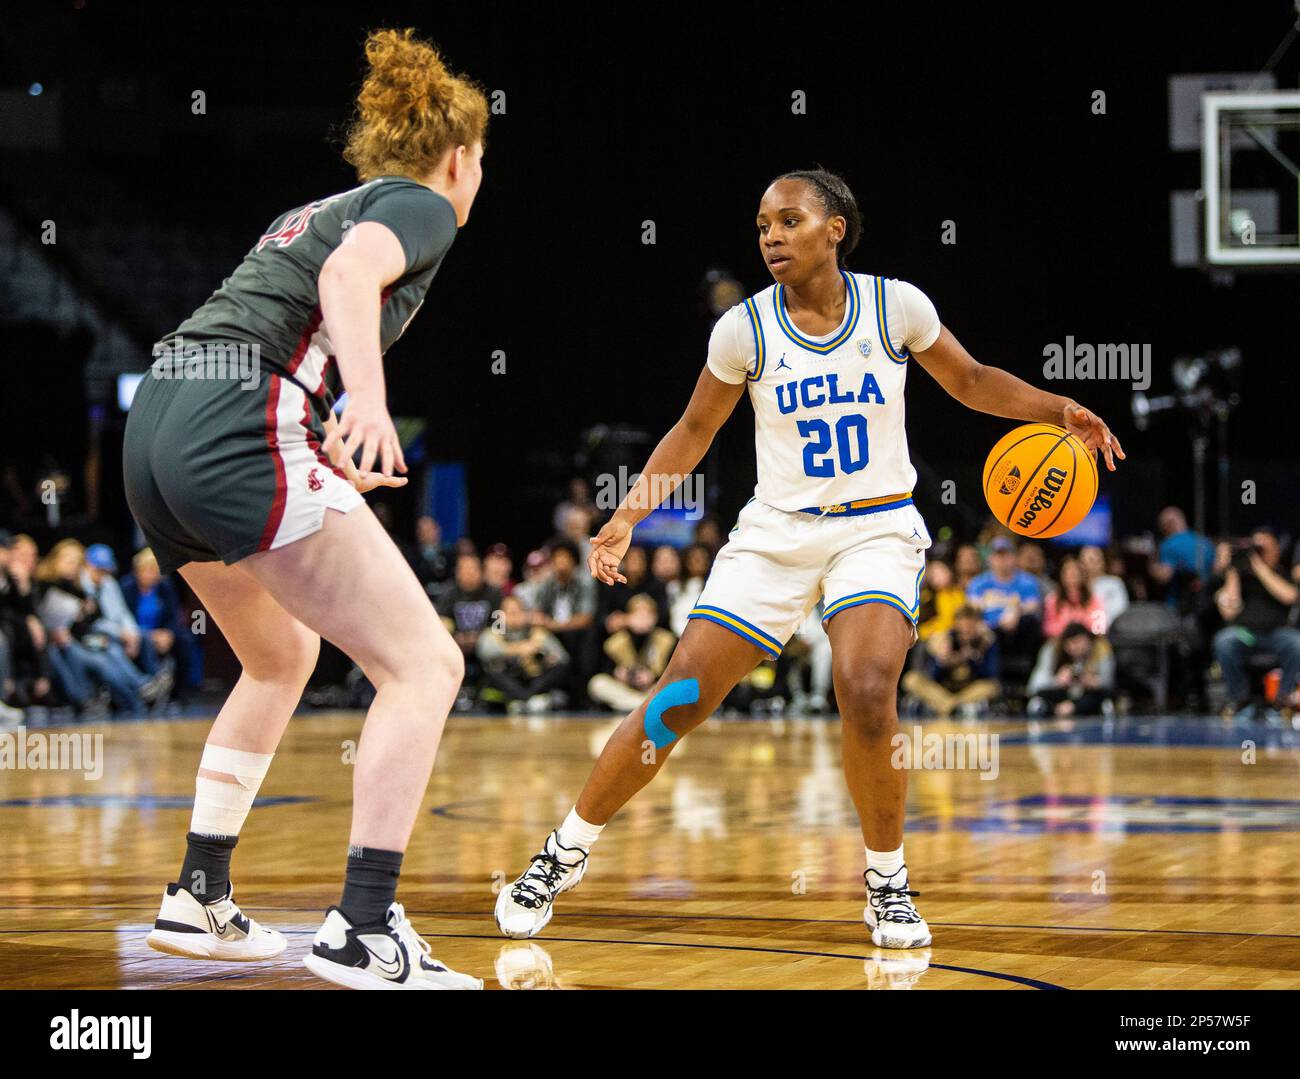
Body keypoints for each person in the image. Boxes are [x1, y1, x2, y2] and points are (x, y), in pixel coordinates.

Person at [494, 167, 1123, 950]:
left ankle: (887, 881)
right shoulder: (744, 330)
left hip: (878, 528)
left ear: (835, 229)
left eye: (788, 220)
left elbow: (970, 380)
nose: (770, 237)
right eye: (761, 225)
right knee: (676, 699)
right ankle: (564, 851)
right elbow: (692, 432)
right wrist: (625, 517)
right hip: (775, 534)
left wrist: (1059, 407)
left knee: (864, 687)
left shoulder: (897, 306)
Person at [121, 29, 487, 989]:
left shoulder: (314, 208)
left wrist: (325, 430)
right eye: (481, 160)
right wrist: (366, 403)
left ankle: (199, 893)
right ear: (459, 157)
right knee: (426, 662)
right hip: (233, 423)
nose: (478, 176)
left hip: (158, 420)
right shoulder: (421, 206)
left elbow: (281, 326)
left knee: (280, 654)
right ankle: (363, 926)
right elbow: (342, 284)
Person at [1212, 528, 1300, 718]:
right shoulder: (1241, 576)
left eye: (1263, 548)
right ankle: (1240, 698)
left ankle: (1283, 698)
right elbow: (1228, 612)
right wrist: (1232, 571)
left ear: (1276, 549)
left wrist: (1260, 567)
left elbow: (1290, 597)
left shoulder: (1282, 573)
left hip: (1277, 633)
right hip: (1247, 635)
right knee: (1225, 640)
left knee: (1297, 643)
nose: (1257, 553)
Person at [901, 605, 1000, 718]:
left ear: (977, 625)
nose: (964, 633)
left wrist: (973, 659)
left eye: (969, 629)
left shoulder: (987, 641)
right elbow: (932, 676)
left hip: (969, 688)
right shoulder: (946, 639)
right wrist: (942, 661)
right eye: (961, 629)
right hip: (943, 688)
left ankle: (944, 706)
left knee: (993, 687)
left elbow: (991, 675)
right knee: (910, 679)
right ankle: (956, 707)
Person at [476, 594, 569, 713]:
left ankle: (524, 699)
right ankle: (526, 698)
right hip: (511, 679)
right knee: (492, 668)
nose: (514, 616)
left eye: (517, 612)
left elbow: (562, 657)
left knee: (560, 667)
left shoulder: (537, 632)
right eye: (509, 612)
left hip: (534, 678)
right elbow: (484, 651)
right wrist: (518, 648)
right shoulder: (495, 632)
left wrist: (544, 652)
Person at [531, 538, 597, 704]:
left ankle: (581, 697)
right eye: (557, 558)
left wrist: (556, 625)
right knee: (538, 636)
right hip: (553, 633)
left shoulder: (585, 583)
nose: (561, 562)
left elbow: (586, 618)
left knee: (584, 639)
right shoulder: (547, 585)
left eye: (565, 557)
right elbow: (538, 613)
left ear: (574, 560)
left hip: (577, 633)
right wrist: (544, 622)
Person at [967, 536, 1044, 674]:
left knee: (1031, 622)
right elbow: (972, 607)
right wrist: (985, 623)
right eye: (998, 556)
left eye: (1006, 556)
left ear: (1014, 558)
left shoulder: (1027, 581)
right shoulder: (978, 583)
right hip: (987, 630)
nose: (1002, 561)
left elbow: (1033, 605)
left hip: (1017, 632)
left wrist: (1016, 610)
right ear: (990, 559)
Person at [588, 594, 677, 712]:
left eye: (648, 614)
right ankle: (641, 706)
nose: (642, 619)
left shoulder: (667, 640)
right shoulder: (615, 642)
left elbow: (674, 672)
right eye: (638, 614)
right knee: (597, 683)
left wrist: (653, 677)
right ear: (628, 616)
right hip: (625, 689)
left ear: (655, 617)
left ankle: (636, 706)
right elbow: (604, 669)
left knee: (672, 688)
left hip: (653, 689)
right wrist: (618, 673)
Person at [436, 551, 502, 707]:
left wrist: (478, 637)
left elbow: (500, 625)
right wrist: (455, 637)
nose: (468, 574)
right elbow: (442, 622)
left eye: (472, 570)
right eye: (464, 570)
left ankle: (490, 692)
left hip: (484, 640)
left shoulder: (494, 593)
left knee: (492, 645)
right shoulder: (449, 593)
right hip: (457, 641)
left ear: (481, 572)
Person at [1027, 622, 1115, 717]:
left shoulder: (1100, 647)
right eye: (1070, 644)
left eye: (1079, 642)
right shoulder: (1053, 648)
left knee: (1103, 696)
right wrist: (1057, 681)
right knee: (1039, 698)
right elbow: (1034, 686)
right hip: (1061, 694)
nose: (1074, 648)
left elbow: (1109, 681)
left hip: (1087, 696)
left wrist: (1094, 682)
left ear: (1088, 640)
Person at [1152, 506, 1215, 610]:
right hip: (1206, 606)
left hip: (1179, 607)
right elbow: (1215, 569)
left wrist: (1152, 568)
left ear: (1168, 525)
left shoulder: (1169, 544)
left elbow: (1164, 577)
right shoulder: (1206, 542)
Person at [1042, 556, 1106, 639]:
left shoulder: (1094, 598)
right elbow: (1048, 628)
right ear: (1062, 576)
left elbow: (1100, 627)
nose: (1072, 576)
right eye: (1068, 573)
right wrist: (1069, 630)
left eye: (1076, 573)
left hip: (1089, 640)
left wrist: (1080, 629)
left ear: (1082, 575)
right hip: (1061, 641)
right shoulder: (1053, 599)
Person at [916, 557, 965, 641]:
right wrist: (925, 632)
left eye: (941, 571)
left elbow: (952, 619)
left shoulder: (958, 592)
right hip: (933, 635)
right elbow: (921, 623)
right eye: (935, 575)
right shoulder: (928, 598)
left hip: (953, 632)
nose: (940, 577)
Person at [1079, 544, 1128, 626]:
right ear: (1081, 564)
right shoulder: (1076, 585)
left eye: (1098, 559)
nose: (1095, 563)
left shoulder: (1114, 583)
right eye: (1091, 560)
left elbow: (1120, 610)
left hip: (1108, 630)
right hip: (1079, 631)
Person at [409, 515, 452, 597]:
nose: (426, 534)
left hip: (445, 597)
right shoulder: (412, 555)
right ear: (418, 534)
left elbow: (452, 578)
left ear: (438, 530)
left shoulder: (449, 553)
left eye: (429, 530)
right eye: (423, 531)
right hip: (421, 596)